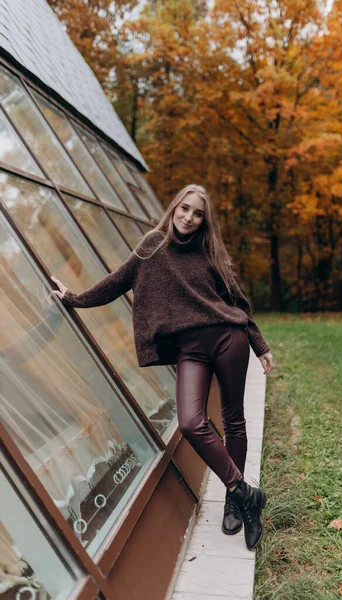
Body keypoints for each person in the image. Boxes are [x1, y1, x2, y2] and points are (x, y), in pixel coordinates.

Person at [51, 183, 274, 551]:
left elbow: (237, 301)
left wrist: (259, 344)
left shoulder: (210, 250)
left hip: (228, 338)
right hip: (190, 348)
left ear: (205, 220)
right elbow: (115, 283)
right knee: (190, 422)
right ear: (173, 209)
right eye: (183, 209)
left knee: (234, 420)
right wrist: (72, 298)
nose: (188, 217)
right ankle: (245, 492)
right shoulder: (152, 245)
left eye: (197, 213)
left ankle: (236, 506)